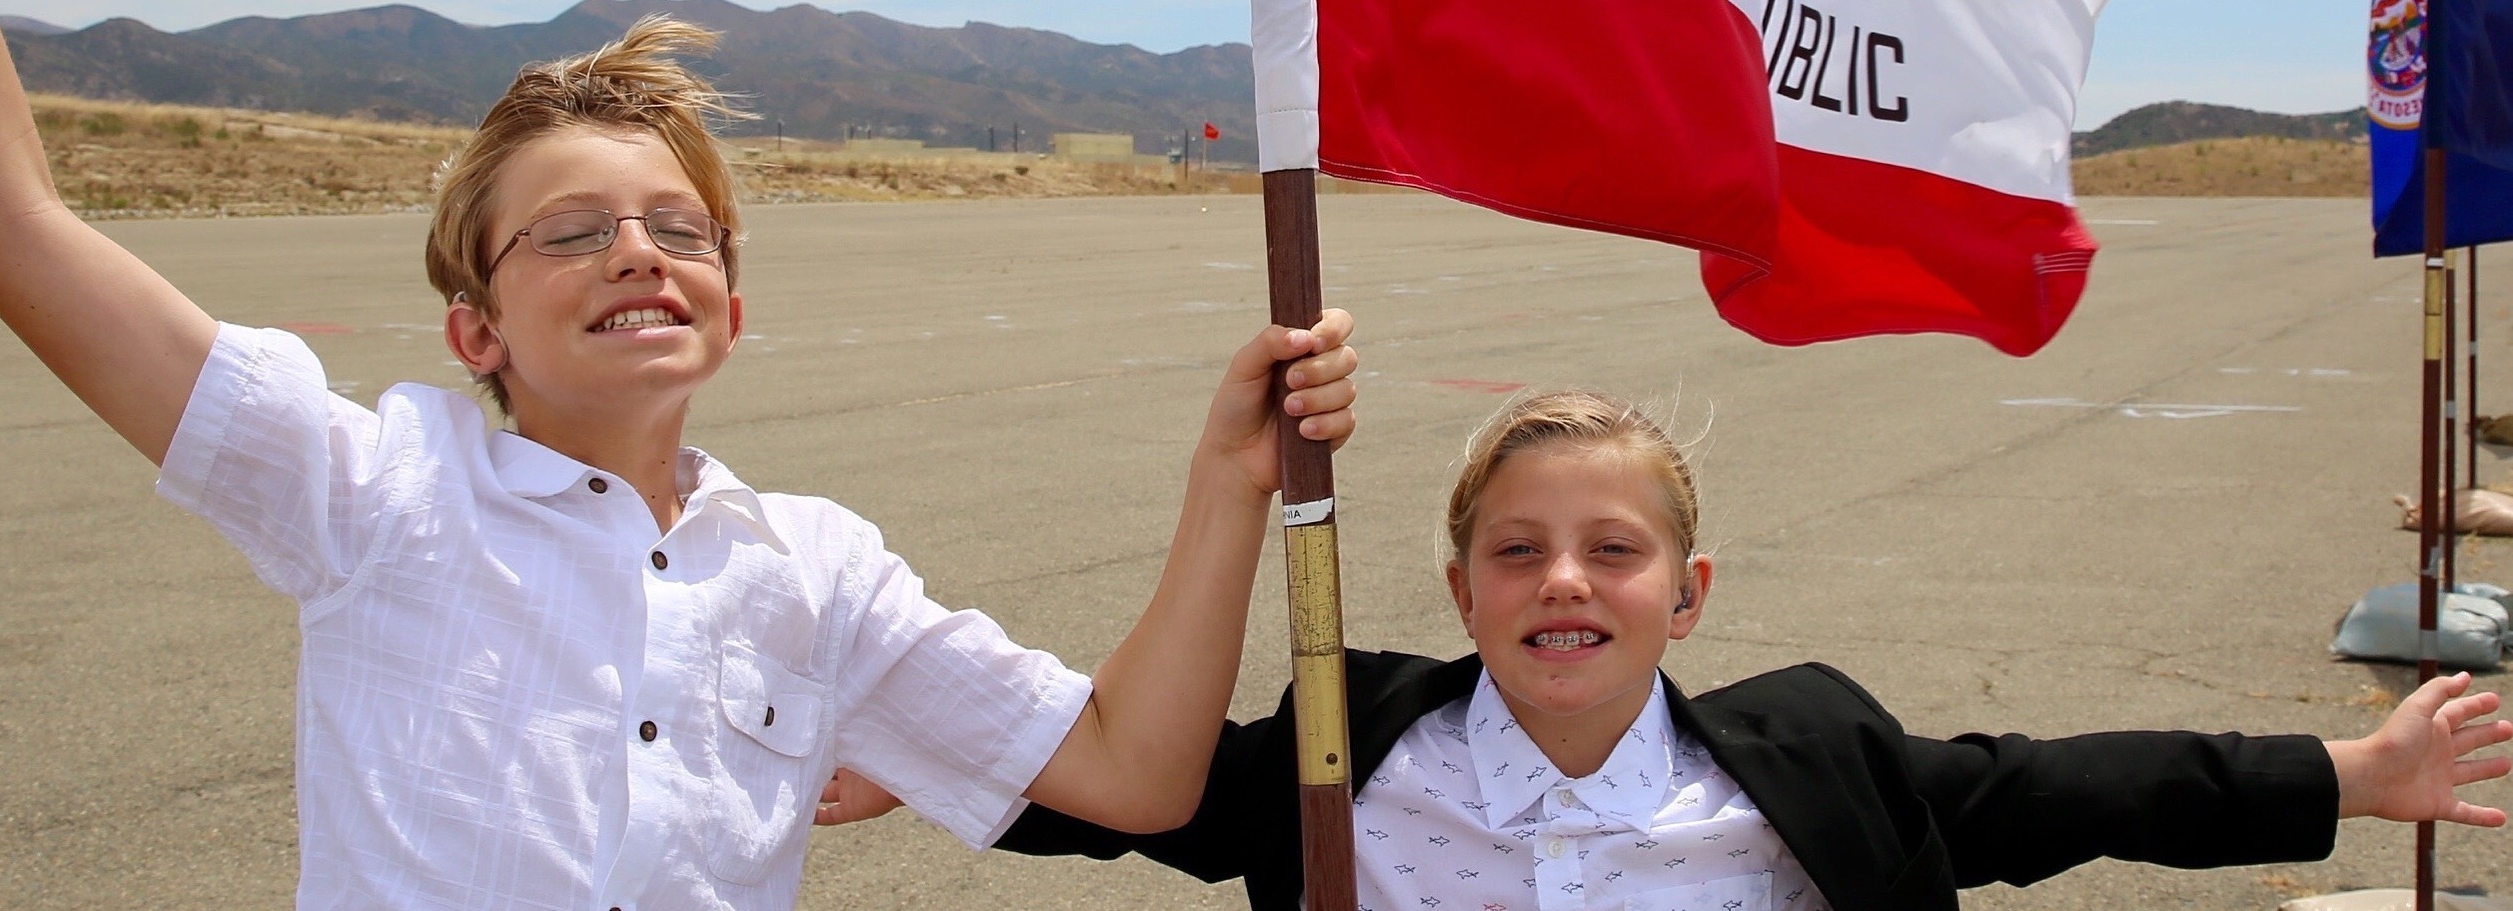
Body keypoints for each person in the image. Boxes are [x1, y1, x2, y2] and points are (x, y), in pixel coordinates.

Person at [0, 6, 1360, 910]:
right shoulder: (371, 490)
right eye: (571, 233)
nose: (636, 253)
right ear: (477, 331)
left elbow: (1135, 774)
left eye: (677, 230)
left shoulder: (817, 574)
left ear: (728, 304)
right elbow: (0, 215)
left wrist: (1228, 483)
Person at [824, 390, 2513, 910]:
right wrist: (920, 757)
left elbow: (2050, 791)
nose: (1566, 579)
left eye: (1612, 550)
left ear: (1685, 595)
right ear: (1465, 589)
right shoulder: (1350, 759)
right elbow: (1140, 781)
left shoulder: (1802, 767)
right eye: (1517, 549)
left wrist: (2357, 774)